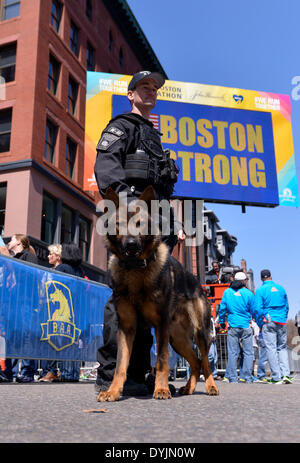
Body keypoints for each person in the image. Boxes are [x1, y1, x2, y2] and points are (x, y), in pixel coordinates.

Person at [94, 70, 185, 396]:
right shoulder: (122, 126)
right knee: (122, 298)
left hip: (156, 230)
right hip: (130, 226)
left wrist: (173, 225)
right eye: (143, 86)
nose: (150, 91)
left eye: (154, 88)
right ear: (131, 94)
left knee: (151, 300)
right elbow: (106, 166)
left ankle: (138, 374)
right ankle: (110, 375)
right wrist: (130, 209)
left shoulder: (154, 137)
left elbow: (159, 189)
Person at [39, 243, 83, 382]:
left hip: (60, 311)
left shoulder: (62, 268)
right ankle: (71, 373)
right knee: (71, 342)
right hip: (74, 311)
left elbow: (54, 288)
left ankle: (52, 371)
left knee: (55, 340)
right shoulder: (79, 270)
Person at [0, 234, 38, 382]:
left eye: (12, 240)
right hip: (12, 302)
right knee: (11, 337)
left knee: (26, 336)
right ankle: (9, 372)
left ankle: (27, 372)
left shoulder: (28, 256)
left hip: (25, 301)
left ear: (19, 243)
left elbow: (29, 277)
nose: (9, 242)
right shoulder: (12, 259)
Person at [255, 269, 292, 384]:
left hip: (268, 320)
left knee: (271, 348)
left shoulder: (260, 290)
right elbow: (286, 306)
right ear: (271, 276)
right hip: (281, 321)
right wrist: (283, 318)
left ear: (261, 278)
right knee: (282, 348)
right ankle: (286, 374)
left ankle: (276, 376)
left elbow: (258, 309)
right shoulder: (281, 289)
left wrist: (261, 323)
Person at [219, 271, 256, 383]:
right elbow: (254, 310)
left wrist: (221, 322)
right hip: (246, 325)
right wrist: (257, 321)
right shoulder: (248, 293)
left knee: (232, 352)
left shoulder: (227, 292)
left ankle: (233, 378)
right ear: (244, 281)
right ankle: (247, 377)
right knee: (248, 352)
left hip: (233, 325)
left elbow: (222, 309)